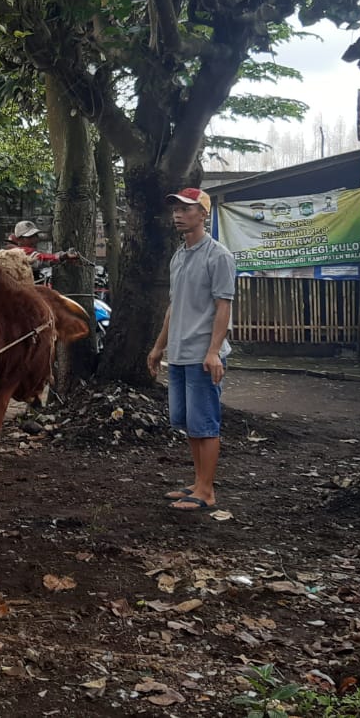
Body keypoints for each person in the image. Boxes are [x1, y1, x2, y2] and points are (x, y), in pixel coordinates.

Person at [146, 187, 235, 512]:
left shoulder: (219, 256)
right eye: (175, 210)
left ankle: (207, 491)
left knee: (205, 424)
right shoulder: (179, 256)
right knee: (187, 421)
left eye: (185, 209)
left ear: (203, 214)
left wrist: (213, 352)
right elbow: (174, 307)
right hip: (179, 353)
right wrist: (158, 347)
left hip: (203, 355)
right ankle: (198, 482)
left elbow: (223, 307)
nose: (178, 215)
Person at [6, 220, 79, 272]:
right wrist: (64, 255)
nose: (35, 239)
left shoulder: (29, 251)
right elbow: (41, 259)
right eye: (29, 237)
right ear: (19, 239)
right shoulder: (14, 253)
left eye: (35, 235)